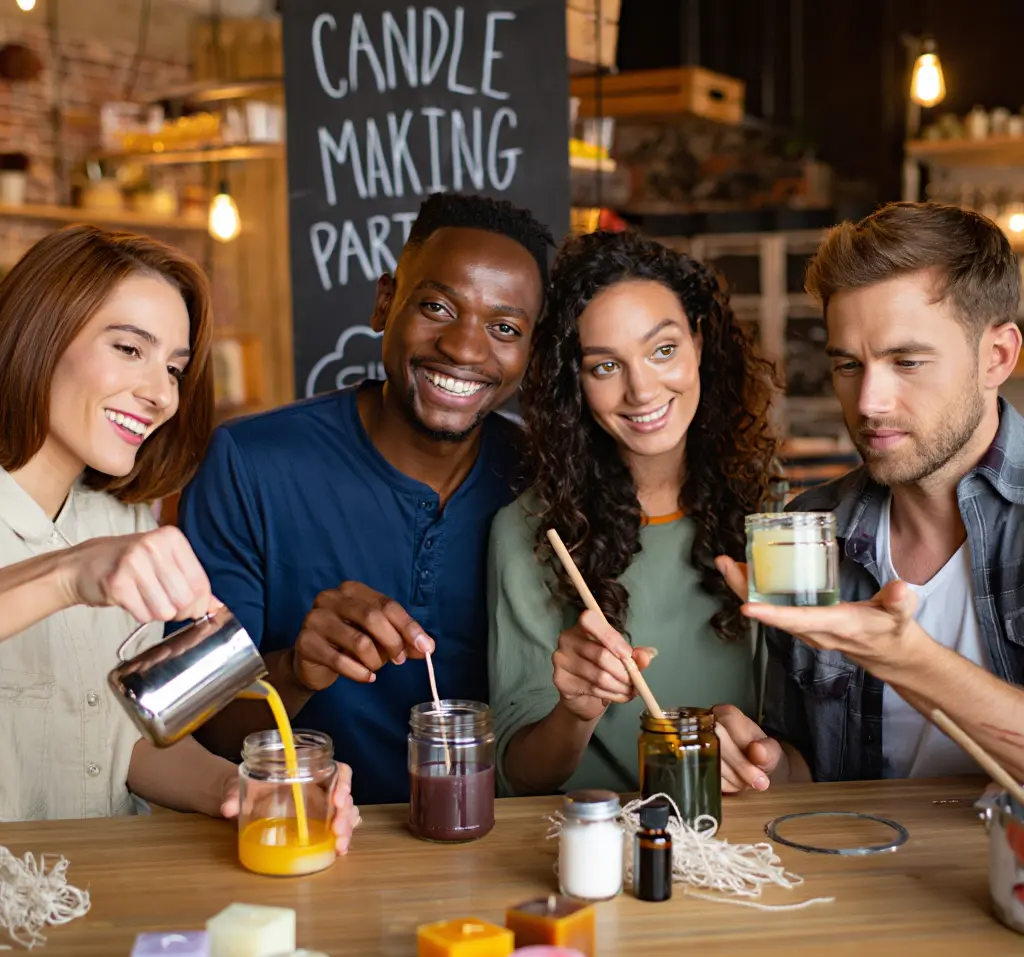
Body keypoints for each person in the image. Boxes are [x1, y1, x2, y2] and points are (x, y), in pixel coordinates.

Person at [178, 193, 553, 805]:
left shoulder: (544, 480)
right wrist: (298, 668)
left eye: (504, 328)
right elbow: (199, 729)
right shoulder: (249, 464)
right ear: (385, 303)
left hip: (493, 846)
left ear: (531, 352)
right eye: (436, 306)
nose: (463, 348)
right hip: (302, 836)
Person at [0, 226, 359, 849]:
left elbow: (121, 744)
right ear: (41, 331)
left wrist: (252, 791)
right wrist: (66, 576)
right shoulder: (96, 554)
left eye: (174, 368)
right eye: (129, 349)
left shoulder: (120, 516)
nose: (161, 393)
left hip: (95, 889)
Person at [713, 201, 1024, 790]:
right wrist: (760, 764)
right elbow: (810, 768)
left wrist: (912, 664)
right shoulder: (807, 527)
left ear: (997, 356)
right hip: (860, 874)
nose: (868, 403)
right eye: (849, 365)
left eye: (906, 361)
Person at [488, 230, 777, 795]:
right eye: (604, 367)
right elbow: (517, 777)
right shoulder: (529, 533)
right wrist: (577, 711)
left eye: (663, 349)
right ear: (575, 381)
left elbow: (811, 750)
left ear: (698, 342)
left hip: (744, 841)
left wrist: (770, 761)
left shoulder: (774, 514)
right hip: (593, 842)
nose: (641, 389)